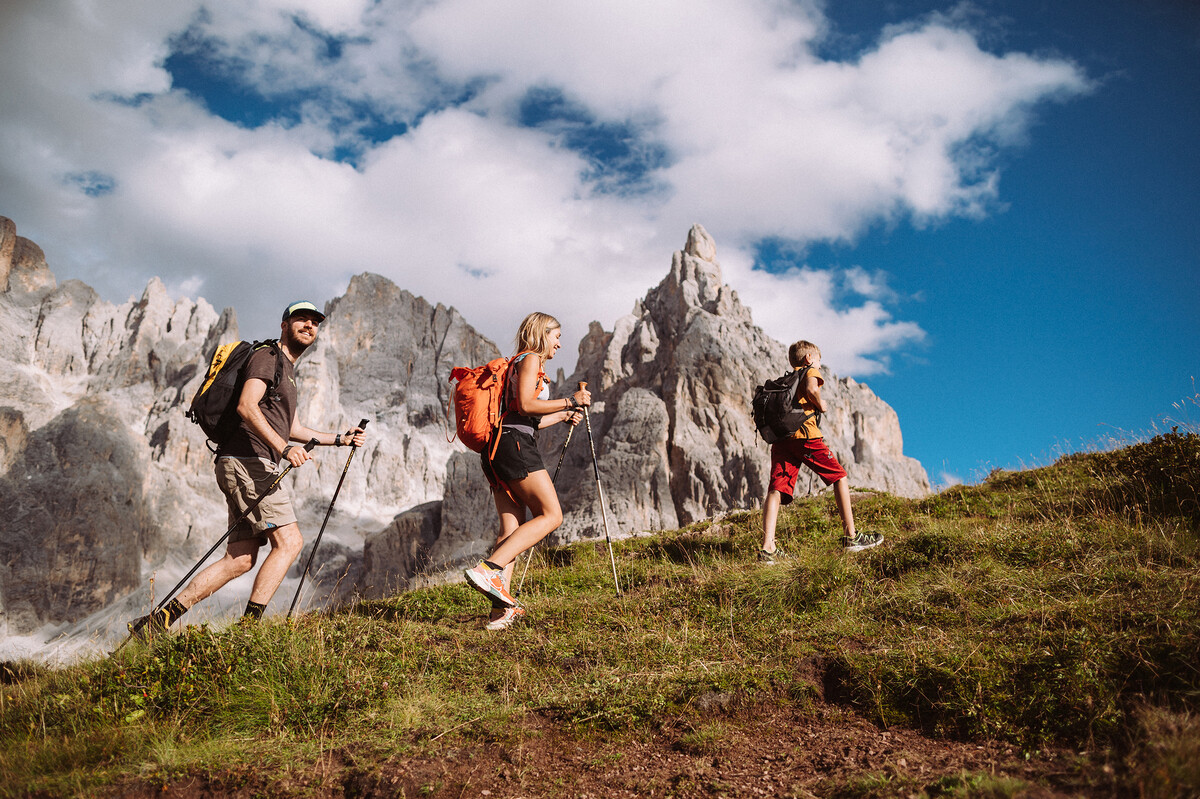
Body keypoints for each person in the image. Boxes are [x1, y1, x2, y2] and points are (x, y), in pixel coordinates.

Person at [129, 300, 366, 638]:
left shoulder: (287, 370)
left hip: (242, 461)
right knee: (290, 542)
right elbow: (245, 405)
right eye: (300, 319)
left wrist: (340, 439)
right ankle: (248, 632)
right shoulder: (268, 357)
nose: (308, 325)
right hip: (248, 460)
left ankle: (154, 624)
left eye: (314, 322)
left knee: (239, 559)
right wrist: (283, 449)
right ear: (284, 324)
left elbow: (293, 426)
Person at [463, 312, 590, 630]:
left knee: (510, 533)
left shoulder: (517, 363)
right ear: (542, 332)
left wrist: (563, 414)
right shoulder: (530, 357)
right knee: (552, 515)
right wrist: (569, 400)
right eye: (557, 335)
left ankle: (499, 614)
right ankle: (489, 569)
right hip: (515, 447)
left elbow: (525, 416)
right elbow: (526, 406)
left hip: (496, 450)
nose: (560, 343)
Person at [759, 340, 882, 562]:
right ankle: (851, 537)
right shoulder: (809, 370)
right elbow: (812, 388)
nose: (820, 365)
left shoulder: (784, 381)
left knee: (776, 489)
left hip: (781, 440)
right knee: (840, 477)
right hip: (805, 435)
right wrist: (820, 403)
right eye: (819, 360)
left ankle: (768, 548)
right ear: (808, 358)